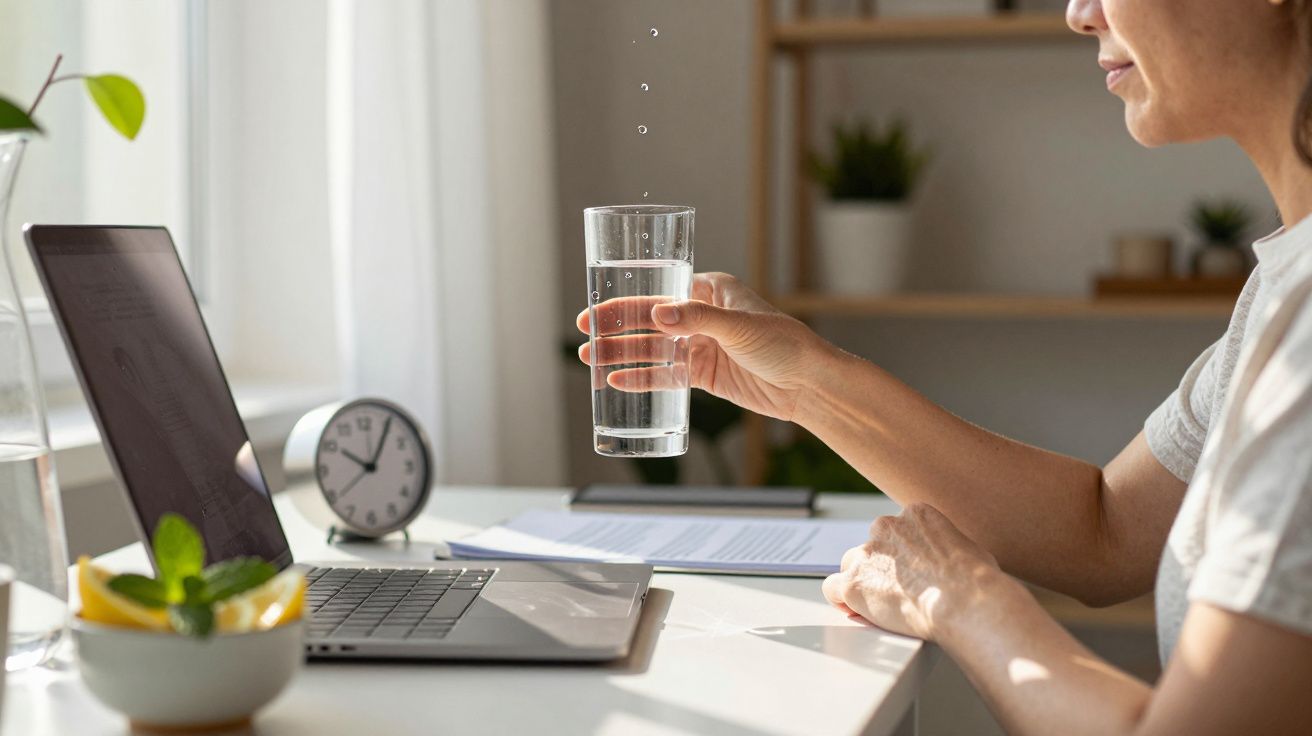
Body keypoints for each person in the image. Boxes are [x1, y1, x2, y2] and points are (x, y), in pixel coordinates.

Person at [577, 1, 1312, 732]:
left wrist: (959, 602)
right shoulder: (1283, 284)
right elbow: (1104, 531)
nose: (1078, 13)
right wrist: (803, 379)